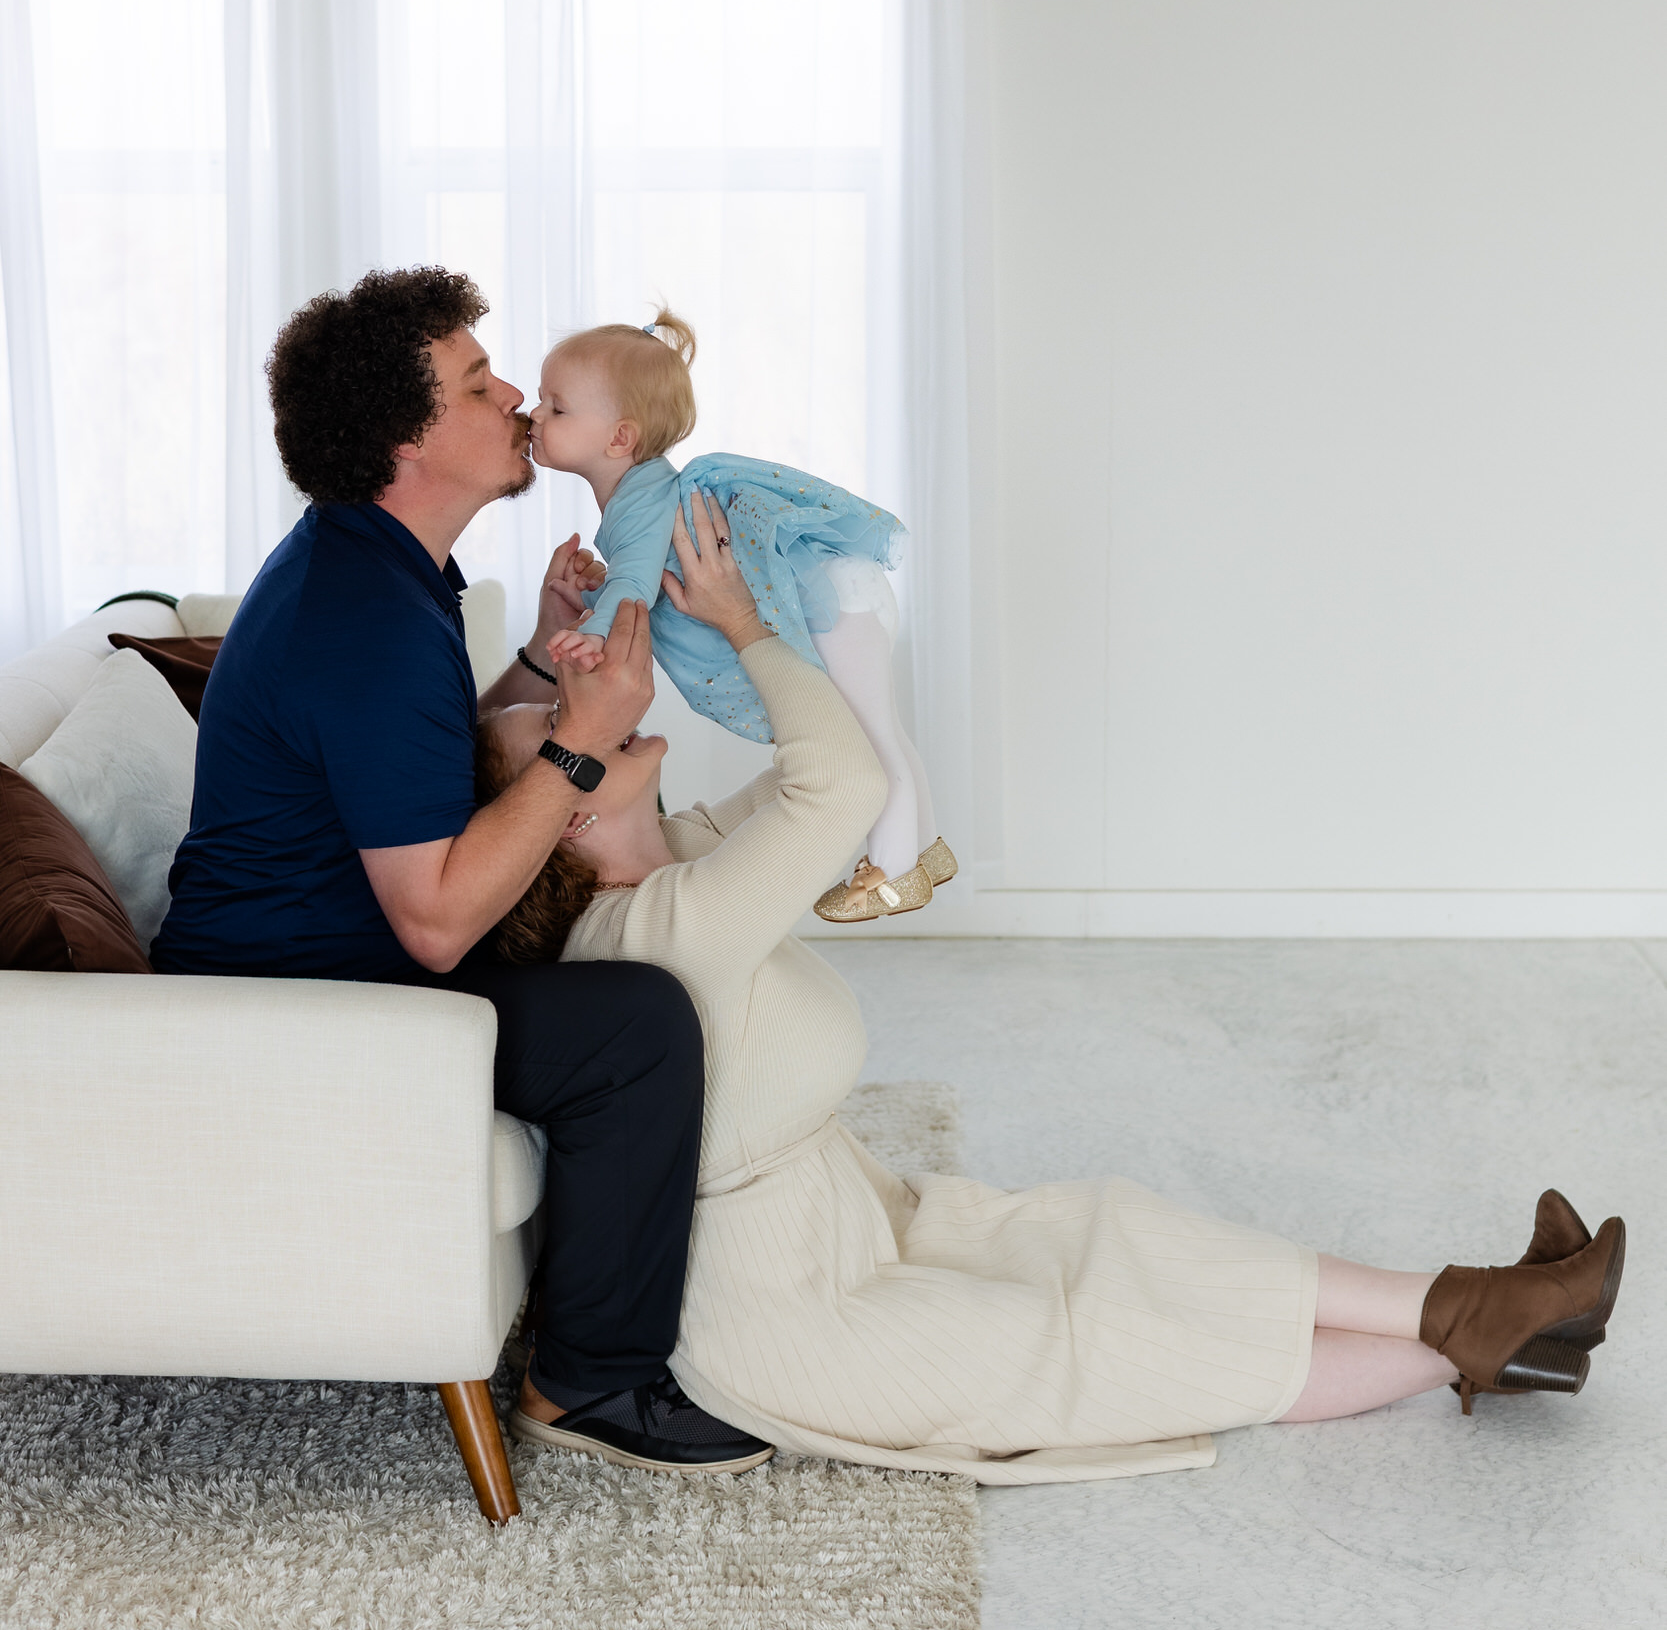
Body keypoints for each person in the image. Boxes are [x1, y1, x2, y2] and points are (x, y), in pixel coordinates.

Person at [478, 493, 1627, 1483]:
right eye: (558, 725)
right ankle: (1482, 1330)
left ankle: (1479, 1301)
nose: (588, 702)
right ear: (570, 814)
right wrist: (743, 625)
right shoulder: (655, 928)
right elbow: (835, 785)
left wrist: (738, 622)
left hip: (847, 1229)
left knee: (1111, 1233)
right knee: (1096, 1339)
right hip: (796, 1318)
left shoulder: (676, 856)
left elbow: (824, 778)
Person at [152, 266, 772, 1479]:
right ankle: (591, 1379)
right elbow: (435, 923)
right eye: (479, 385)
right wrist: (583, 744)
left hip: (326, 953)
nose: (511, 402)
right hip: (298, 1007)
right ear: (407, 436)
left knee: (627, 942)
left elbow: (411, 764)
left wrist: (540, 663)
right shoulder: (361, 617)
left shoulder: (380, 568)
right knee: (637, 1027)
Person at [524, 312, 953, 925]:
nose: (535, 415)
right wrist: (604, 597)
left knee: (871, 739)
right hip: (842, 588)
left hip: (832, 597)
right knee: (882, 728)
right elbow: (644, 579)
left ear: (619, 438)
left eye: (555, 407)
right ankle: (926, 852)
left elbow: (639, 584)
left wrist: (595, 627)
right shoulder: (643, 494)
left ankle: (890, 871)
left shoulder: (638, 499)